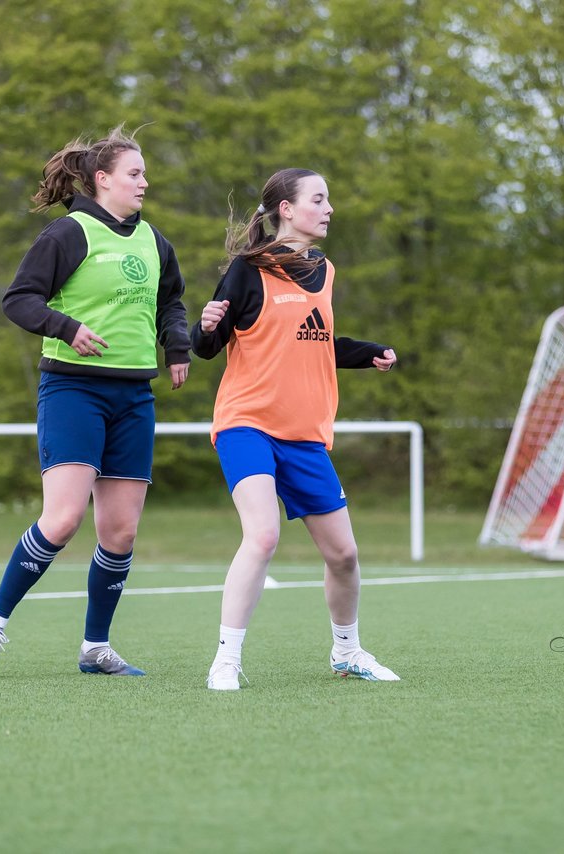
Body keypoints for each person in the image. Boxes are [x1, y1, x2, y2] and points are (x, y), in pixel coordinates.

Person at [0, 126, 191, 676]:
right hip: (74, 390)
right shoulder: (68, 234)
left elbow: (173, 303)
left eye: (145, 173)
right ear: (102, 179)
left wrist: (178, 344)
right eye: (135, 173)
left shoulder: (154, 241)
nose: (145, 182)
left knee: (121, 532)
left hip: (134, 395)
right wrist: (65, 328)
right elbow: (19, 300)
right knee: (63, 520)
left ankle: (95, 648)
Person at [190, 168, 400, 691]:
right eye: (319, 199)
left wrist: (367, 352)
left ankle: (347, 652)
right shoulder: (246, 270)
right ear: (286, 208)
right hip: (247, 425)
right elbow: (206, 345)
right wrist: (205, 325)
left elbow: (316, 339)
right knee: (262, 535)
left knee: (345, 555)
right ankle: (226, 660)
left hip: (305, 433)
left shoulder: (325, 271)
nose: (329, 209)